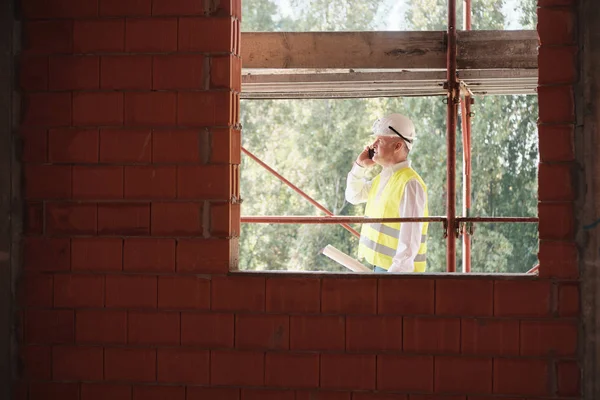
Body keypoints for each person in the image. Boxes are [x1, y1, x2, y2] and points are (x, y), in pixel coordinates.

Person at [345, 113, 429, 273]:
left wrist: (394, 278)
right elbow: (353, 196)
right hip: (380, 267)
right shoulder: (384, 177)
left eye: (380, 140)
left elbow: (410, 240)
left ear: (397, 146)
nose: (372, 145)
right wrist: (359, 166)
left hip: (397, 272)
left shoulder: (410, 183)